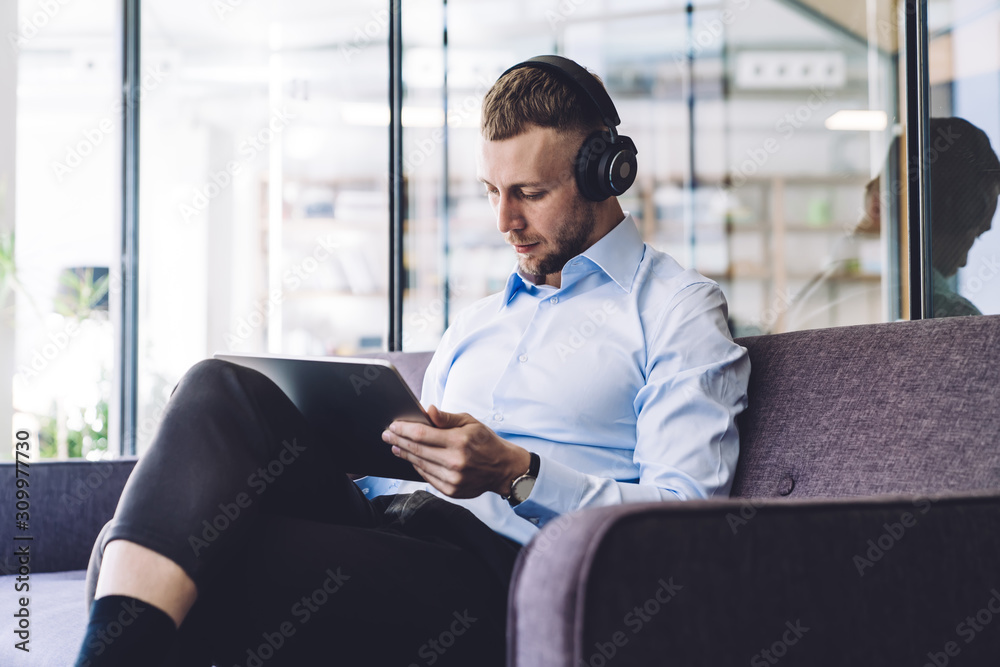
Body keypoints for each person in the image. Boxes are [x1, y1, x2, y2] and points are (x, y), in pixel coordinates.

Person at [74, 55, 750, 666]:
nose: (503, 220)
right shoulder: (478, 321)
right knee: (221, 388)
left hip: (500, 572)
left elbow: (681, 520)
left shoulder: (676, 312)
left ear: (608, 172)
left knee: (169, 560)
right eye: (492, 191)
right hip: (389, 527)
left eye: (530, 194)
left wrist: (517, 473)